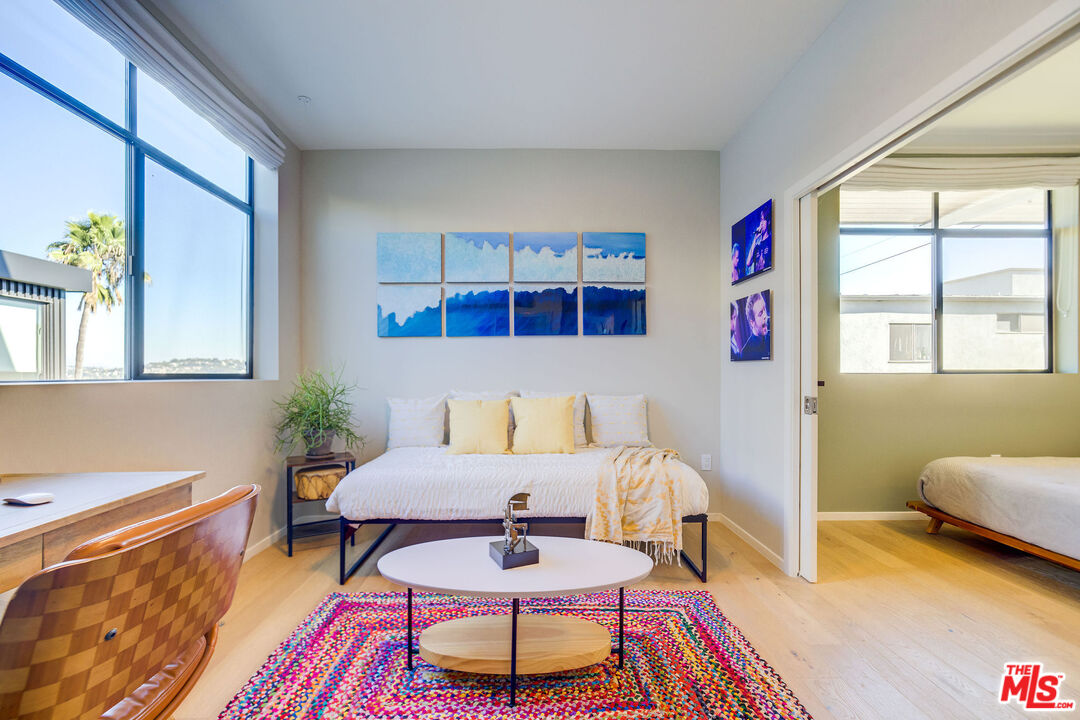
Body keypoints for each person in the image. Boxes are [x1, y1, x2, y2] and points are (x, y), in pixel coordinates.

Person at [739, 292, 770, 360]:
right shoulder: (745, 353)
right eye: (760, 313)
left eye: (764, 309)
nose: (765, 315)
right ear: (752, 323)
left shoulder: (772, 337)